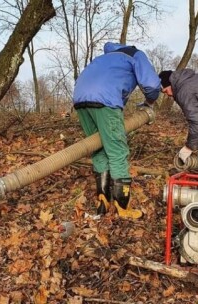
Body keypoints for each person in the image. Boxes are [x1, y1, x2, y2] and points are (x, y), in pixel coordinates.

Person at [73, 42, 161, 219]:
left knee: (98, 149)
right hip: (104, 99)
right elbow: (151, 84)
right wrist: (150, 102)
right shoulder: (135, 54)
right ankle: (123, 207)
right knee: (117, 152)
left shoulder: (104, 59)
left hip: (80, 98)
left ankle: (103, 202)